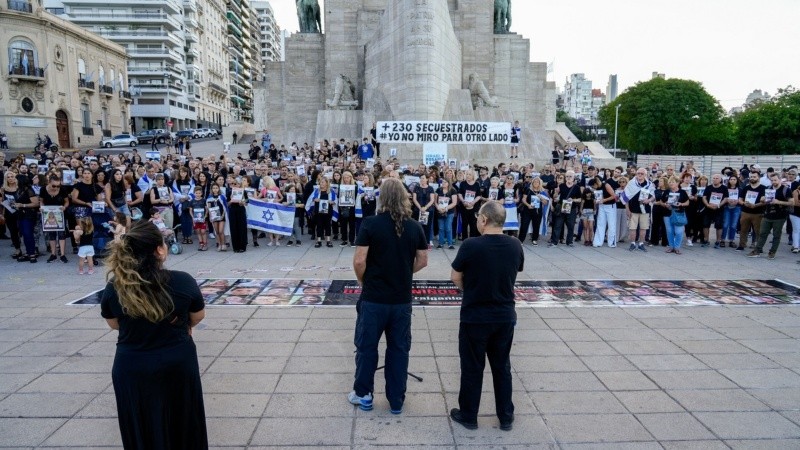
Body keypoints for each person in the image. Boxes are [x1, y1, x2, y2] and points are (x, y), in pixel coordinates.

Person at [100, 220, 207, 449]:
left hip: (132, 365)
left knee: (142, 426)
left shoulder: (115, 286)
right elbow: (197, 316)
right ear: (159, 249)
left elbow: (114, 323)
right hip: (176, 361)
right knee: (183, 422)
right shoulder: (183, 281)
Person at [348, 177, 428, 414]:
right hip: (400, 300)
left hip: (374, 298)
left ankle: (364, 394)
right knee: (399, 349)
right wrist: (403, 271)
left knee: (366, 347)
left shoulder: (370, 224)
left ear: (381, 198)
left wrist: (365, 280)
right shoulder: (414, 226)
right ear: (404, 197)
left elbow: (359, 260)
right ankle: (396, 400)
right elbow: (423, 260)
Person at [449, 201, 523, 431]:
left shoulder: (471, 245)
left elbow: (455, 276)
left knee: (472, 366)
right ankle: (506, 416)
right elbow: (515, 271)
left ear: (484, 220)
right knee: (502, 366)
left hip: (476, 315)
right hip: (504, 314)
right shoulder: (515, 244)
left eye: (478, 217)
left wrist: (470, 290)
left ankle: (469, 415)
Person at [748, 173, 793, 259]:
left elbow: (792, 202)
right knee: (762, 234)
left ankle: (772, 252)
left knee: (776, 235)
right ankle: (757, 251)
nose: (773, 182)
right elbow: (764, 200)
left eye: (775, 180)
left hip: (780, 216)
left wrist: (778, 202)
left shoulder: (786, 189)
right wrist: (762, 199)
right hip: (767, 215)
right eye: (772, 180)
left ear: (780, 179)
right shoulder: (768, 188)